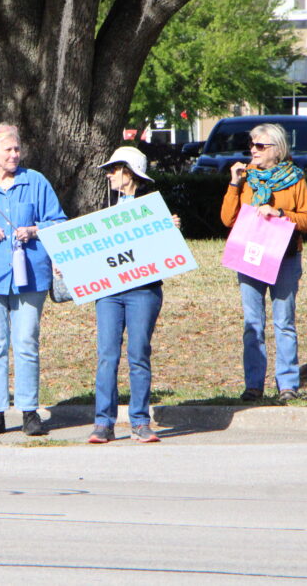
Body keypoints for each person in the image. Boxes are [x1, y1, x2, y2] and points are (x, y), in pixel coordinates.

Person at [0, 124, 66, 437]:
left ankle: (29, 412)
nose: (14, 155)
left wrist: (33, 230)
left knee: (26, 342)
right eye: (8, 149)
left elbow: (58, 222)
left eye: (17, 149)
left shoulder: (36, 182)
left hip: (30, 276)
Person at [88, 146, 180, 444]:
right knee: (107, 356)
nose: (109, 175)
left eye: (113, 169)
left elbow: (164, 251)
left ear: (129, 172)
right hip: (109, 293)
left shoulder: (153, 206)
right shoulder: (102, 207)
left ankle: (140, 421)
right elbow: (89, 250)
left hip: (143, 291)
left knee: (138, 354)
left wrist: (171, 229)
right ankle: (103, 422)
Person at [221, 123, 307, 403]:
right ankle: (253, 385)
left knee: (284, 321)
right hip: (250, 255)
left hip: (284, 257)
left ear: (277, 149)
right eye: (251, 145)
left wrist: (280, 213)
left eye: (260, 146)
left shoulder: (296, 178)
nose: (253, 150)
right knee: (253, 322)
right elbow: (228, 219)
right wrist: (234, 183)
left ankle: (287, 384)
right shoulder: (245, 177)